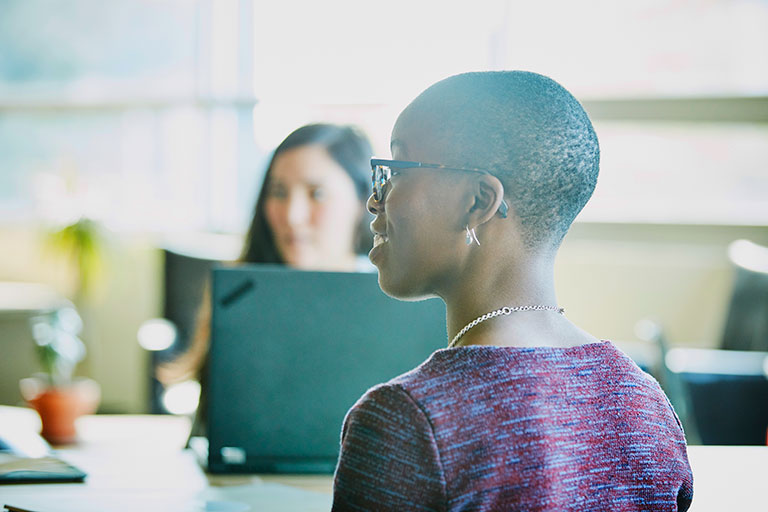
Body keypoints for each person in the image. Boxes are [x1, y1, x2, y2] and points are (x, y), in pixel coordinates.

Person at [332, 72, 694, 511]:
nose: (375, 200)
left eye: (398, 169)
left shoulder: (407, 420)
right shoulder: (646, 402)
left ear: (477, 202)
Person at [157, 123, 374, 435]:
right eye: (279, 192)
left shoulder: (397, 301)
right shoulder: (240, 295)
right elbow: (214, 427)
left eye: (317, 193)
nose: (291, 215)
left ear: (361, 201)